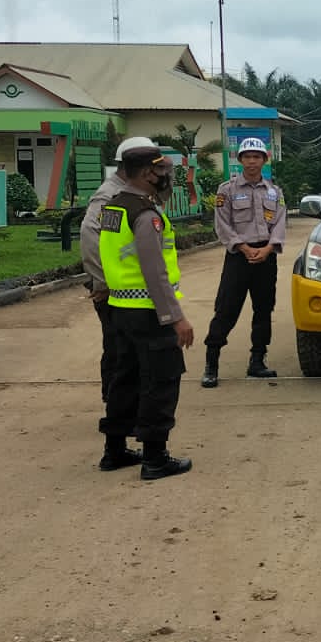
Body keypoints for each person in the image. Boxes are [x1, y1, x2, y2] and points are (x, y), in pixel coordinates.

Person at [97, 145, 194, 480]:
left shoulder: (114, 207)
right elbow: (154, 271)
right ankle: (155, 457)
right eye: (162, 171)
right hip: (148, 312)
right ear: (147, 173)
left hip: (119, 309)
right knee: (160, 381)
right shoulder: (145, 214)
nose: (166, 177)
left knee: (125, 379)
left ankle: (115, 450)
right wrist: (176, 317)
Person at [79, 134, 160, 468]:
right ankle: (117, 427)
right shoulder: (111, 195)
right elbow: (89, 234)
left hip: (130, 293)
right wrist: (103, 282)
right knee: (121, 360)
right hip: (118, 295)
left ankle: (121, 425)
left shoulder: (133, 192)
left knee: (125, 359)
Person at [201, 136, 287, 387]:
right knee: (226, 309)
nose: (252, 161)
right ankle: (211, 364)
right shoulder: (226, 190)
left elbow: (280, 222)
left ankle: (257, 361)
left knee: (263, 310)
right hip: (238, 257)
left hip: (266, 257)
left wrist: (269, 248)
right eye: (247, 157)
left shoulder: (274, 191)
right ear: (240, 161)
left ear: (264, 160)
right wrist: (243, 247)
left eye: (256, 157)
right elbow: (222, 223)